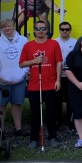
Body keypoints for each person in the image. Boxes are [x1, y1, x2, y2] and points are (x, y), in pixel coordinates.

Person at [19, 21, 62, 149]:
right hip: (34, 85)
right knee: (35, 114)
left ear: (46, 30)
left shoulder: (54, 44)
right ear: (34, 30)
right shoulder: (28, 45)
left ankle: (52, 137)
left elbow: (59, 62)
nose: (41, 31)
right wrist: (34, 61)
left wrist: (58, 80)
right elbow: (21, 64)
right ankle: (34, 139)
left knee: (51, 113)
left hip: (50, 84)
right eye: (38, 28)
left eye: (43, 29)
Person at [0, 19, 28, 136]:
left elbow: (27, 58)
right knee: (2, 104)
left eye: (9, 26)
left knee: (17, 103)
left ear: (13, 26)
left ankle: (18, 128)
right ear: (2, 29)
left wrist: (23, 73)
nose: (7, 28)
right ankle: (0, 129)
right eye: (4, 27)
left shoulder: (23, 40)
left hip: (19, 78)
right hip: (2, 80)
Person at [54, 21, 77, 130]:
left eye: (67, 29)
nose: (65, 31)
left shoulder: (75, 42)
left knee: (71, 99)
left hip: (71, 75)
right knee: (56, 100)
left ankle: (71, 122)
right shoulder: (54, 42)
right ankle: (57, 121)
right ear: (59, 30)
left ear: (70, 30)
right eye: (62, 29)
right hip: (57, 75)